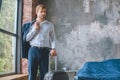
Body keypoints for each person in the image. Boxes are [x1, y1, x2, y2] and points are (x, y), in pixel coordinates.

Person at [23, 4, 57, 80]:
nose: (43, 13)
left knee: (44, 74)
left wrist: (53, 48)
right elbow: (27, 39)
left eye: (44, 12)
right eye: (41, 11)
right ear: (37, 12)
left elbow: (53, 38)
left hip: (45, 51)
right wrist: (35, 29)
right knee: (32, 73)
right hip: (33, 50)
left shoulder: (49, 25)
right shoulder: (31, 25)